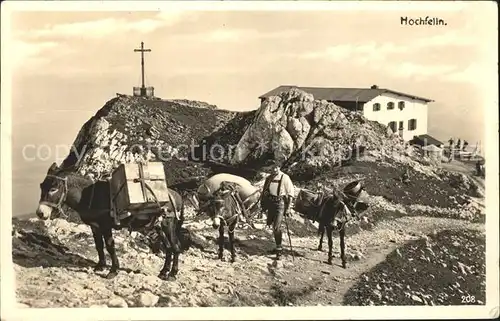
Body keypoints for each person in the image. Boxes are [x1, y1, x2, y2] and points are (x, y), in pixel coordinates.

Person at [261, 163, 295, 260]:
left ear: (279, 167)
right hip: (271, 203)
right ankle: (277, 246)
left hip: (280, 204)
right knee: (273, 226)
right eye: (272, 167)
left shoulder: (285, 177)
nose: (274, 169)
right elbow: (265, 191)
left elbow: (291, 193)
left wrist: (288, 208)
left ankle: (279, 249)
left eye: (275, 167)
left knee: (276, 227)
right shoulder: (269, 178)